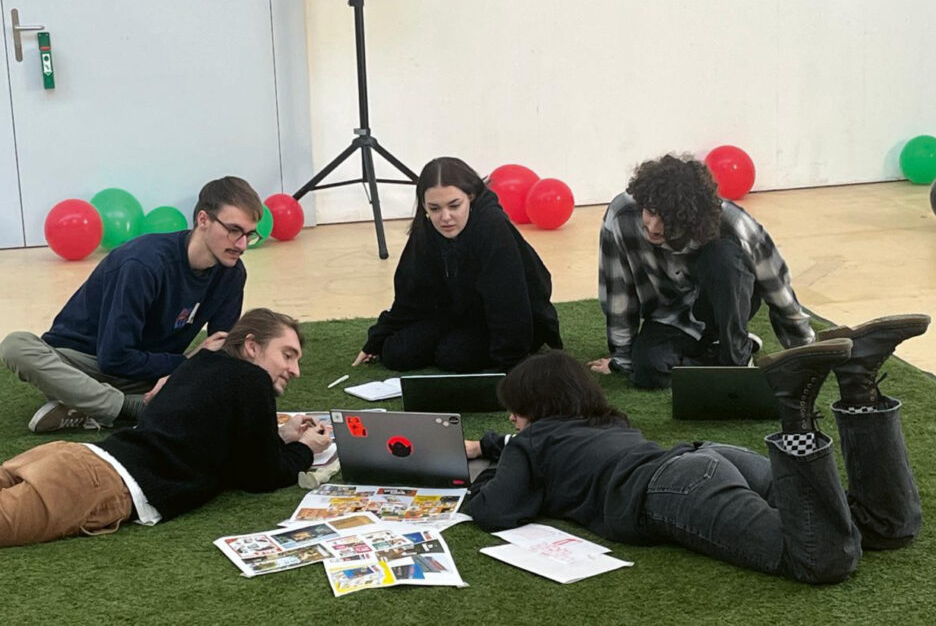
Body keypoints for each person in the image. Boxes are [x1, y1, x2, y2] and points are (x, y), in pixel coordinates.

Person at [464, 314, 928, 584]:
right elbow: (535, 446)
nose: (511, 421)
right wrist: (497, 444)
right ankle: (860, 385)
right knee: (882, 527)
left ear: (534, 410)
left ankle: (795, 407)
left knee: (820, 558)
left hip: (676, 489)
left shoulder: (531, 442)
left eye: (515, 411)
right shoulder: (605, 421)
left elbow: (495, 509)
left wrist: (486, 469)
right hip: (713, 459)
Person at [0, 308, 331, 567]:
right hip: (94, 485)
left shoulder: (200, 365)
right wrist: (303, 450)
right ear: (252, 346)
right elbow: (260, 475)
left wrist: (280, 435)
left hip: (71, 459)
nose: (294, 370)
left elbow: (223, 441)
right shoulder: (252, 382)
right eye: (287, 355)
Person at [0, 176, 262, 433]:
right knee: (16, 346)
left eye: (249, 235)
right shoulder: (144, 264)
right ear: (203, 220)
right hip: (84, 363)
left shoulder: (232, 273)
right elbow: (113, 358)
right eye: (234, 230)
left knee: (218, 379)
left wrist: (211, 365)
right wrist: (186, 364)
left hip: (146, 372)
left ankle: (85, 405)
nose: (242, 245)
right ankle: (131, 408)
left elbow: (223, 352)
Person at [591, 154, 815, 388]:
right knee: (648, 372)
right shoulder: (621, 215)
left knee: (723, 255)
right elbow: (618, 289)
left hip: (726, 304)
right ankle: (718, 353)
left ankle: (735, 354)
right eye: (650, 212)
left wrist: (805, 349)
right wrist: (622, 357)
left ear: (690, 218)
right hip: (669, 314)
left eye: (667, 220)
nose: (653, 227)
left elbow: (775, 283)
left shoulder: (732, 221)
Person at [353, 157, 562, 373]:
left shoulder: (492, 225)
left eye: (454, 206)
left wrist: (510, 363)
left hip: (516, 319)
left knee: (454, 356)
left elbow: (509, 300)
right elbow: (410, 292)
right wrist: (377, 339)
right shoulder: (426, 228)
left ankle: (457, 345)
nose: (445, 217)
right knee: (396, 353)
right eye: (434, 208)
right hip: (458, 314)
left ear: (470, 197)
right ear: (424, 205)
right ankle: (451, 342)